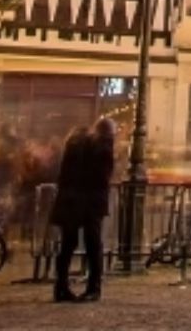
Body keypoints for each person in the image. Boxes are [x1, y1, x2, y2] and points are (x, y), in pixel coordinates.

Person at [50, 116, 115, 303]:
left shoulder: (74, 143)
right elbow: (103, 176)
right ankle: (93, 288)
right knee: (93, 245)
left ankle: (60, 287)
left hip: (70, 199)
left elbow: (63, 174)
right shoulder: (103, 145)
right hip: (91, 202)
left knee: (67, 245)